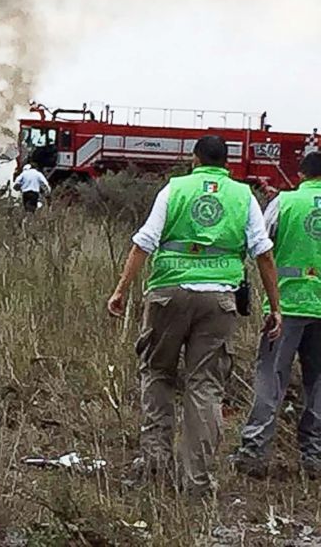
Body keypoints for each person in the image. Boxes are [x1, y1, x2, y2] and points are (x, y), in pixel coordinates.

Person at [106, 135, 282, 494]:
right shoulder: (242, 195)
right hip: (219, 300)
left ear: (194, 159)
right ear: (226, 163)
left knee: (158, 373)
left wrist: (121, 289)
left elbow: (144, 242)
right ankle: (197, 480)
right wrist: (275, 306)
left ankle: (155, 467)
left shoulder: (174, 190)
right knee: (205, 386)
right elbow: (263, 253)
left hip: (168, 295)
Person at [233, 152, 321, 477]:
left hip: (286, 306)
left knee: (271, 378)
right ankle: (314, 457)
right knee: (318, 384)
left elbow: (261, 247)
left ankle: (254, 454)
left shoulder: (285, 203)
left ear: (301, 174)